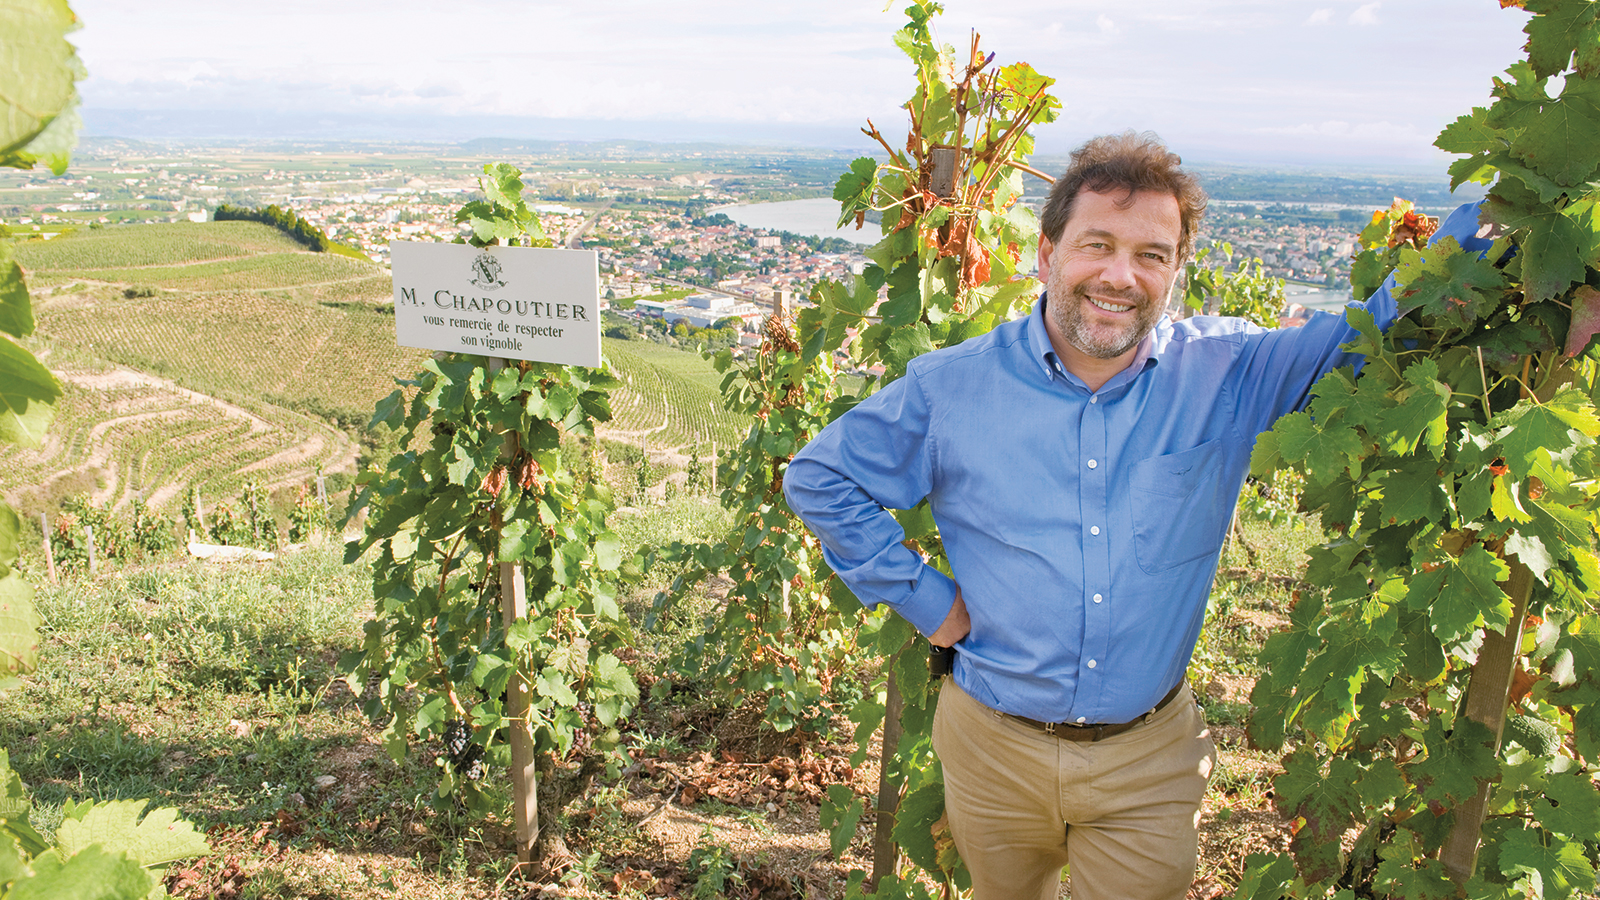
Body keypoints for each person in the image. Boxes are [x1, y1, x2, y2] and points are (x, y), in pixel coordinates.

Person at [782, 131, 1491, 900]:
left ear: (1176, 271)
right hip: (990, 746)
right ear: (1047, 255)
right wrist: (930, 603)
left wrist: (1500, 208)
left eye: (1152, 254)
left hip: (1148, 762)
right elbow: (821, 477)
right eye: (1097, 245)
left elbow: (1373, 331)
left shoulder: (1230, 375)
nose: (1121, 276)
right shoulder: (951, 389)